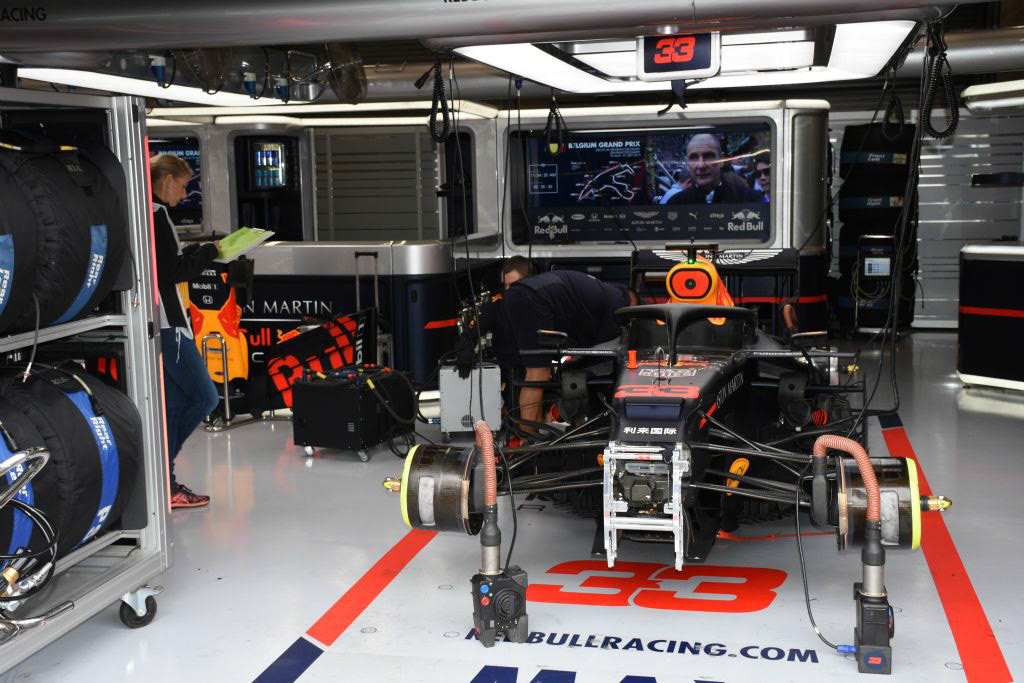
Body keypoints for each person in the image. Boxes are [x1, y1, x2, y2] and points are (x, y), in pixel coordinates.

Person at [151, 153, 221, 509]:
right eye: (182, 186)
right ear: (166, 181)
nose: (183, 194)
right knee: (206, 398)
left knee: (176, 403)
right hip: (171, 326)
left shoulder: (142, 213)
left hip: (158, 323)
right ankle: (163, 470)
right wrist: (209, 253)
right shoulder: (159, 214)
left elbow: (165, 263)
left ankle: (165, 480)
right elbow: (173, 272)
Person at [500, 256, 638, 433]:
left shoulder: (595, 292)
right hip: (534, 303)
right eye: (505, 286)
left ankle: (535, 431)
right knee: (538, 373)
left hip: (537, 306)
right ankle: (528, 437)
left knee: (539, 373)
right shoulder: (613, 301)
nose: (508, 290)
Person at [667, 134, 763, 205]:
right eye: (694, 158)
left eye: (708, 156)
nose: (701, 165)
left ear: (721, 160)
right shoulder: (675, 203)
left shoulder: (750, 199)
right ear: (687, 164)